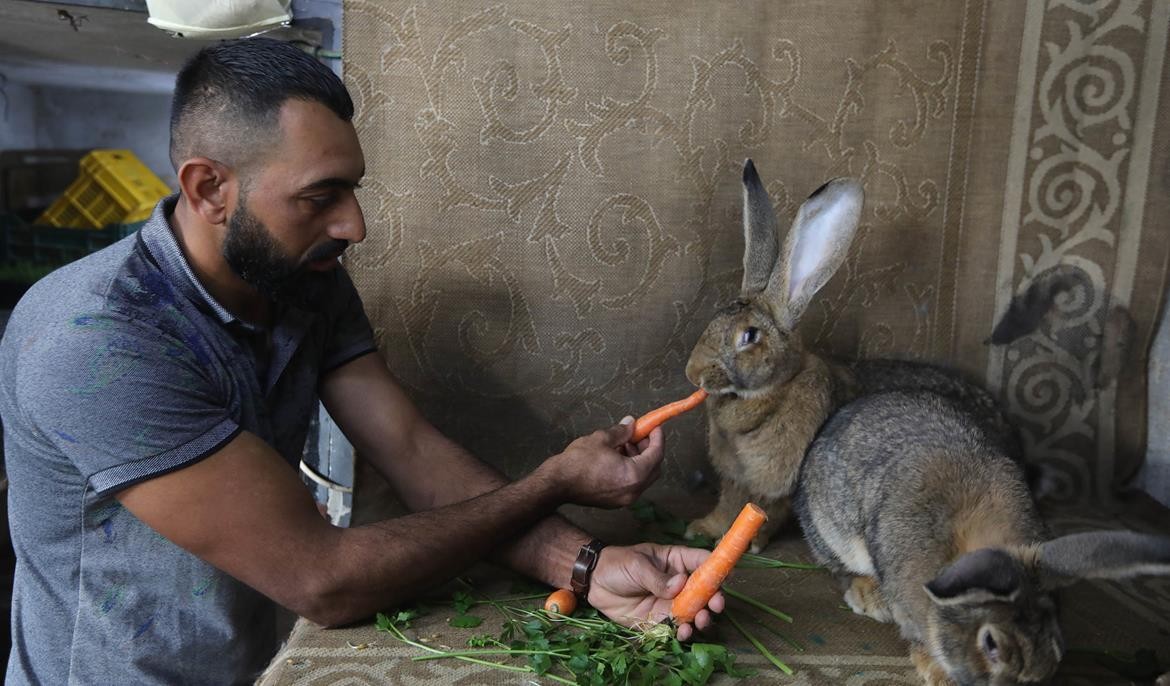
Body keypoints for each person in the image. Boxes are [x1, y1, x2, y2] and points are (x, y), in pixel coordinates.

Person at [0, 38, 722, 685]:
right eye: (319, 197)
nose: (354, 225)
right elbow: (324, 579)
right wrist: (554, 481)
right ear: (208, 189)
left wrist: (587, 566)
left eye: (351, 189)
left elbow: (411, 451)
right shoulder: (97, 341)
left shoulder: (301, 278)